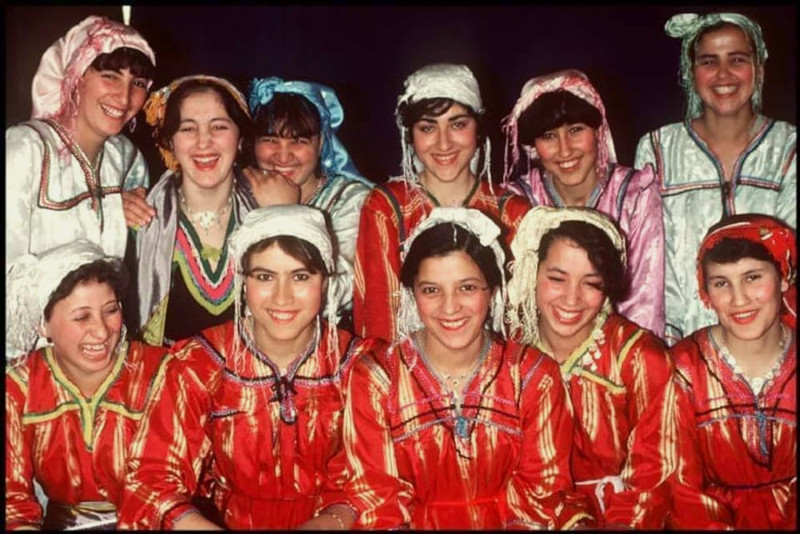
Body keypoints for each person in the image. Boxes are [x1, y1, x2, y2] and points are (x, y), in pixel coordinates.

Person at [118, 205, 384, 530]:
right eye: (264, 276)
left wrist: (332, 521)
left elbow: (379, 481)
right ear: (243, 280)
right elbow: (152, 476)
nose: (282, 297)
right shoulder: (198, 364)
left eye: (300, 276)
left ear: (326, 281)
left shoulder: (360, 365)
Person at [343, 207, 590, 529]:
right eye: (431, 290)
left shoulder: (531, 375)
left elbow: (540, 494)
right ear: (412, 293)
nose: (450, 307)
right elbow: (377, 497)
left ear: (493, 290)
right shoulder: (377, 377)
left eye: (467, 288)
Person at [505, 206, 674, 528]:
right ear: (532, 272)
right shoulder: (509, 355)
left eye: (591, 283)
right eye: (557, 279)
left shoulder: (639, 357)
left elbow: (656, 471)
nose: (572, 299)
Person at [635, 12, 796, 345]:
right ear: (690, 74)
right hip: (679, 347)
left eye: (737, 59)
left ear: (759, 69)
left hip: (770, 343)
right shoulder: (658, 149)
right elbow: (648, 264)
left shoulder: (789, 147)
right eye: (709, 61)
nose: (724, 74)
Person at [353, 63, 530, 342]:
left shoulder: (513, 212)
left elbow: (522, 319)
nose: (444, 143)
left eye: (458, 124)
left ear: (479, 130)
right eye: (428, 127)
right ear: (409, 136)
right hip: (408, 373)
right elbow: (378, 316)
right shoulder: (387, 207)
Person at [5, 240, 169, 530]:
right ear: (43, 325)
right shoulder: (20, 386)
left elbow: (168, 489)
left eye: (111, 310)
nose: (102, 331)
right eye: (82, 316)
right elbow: (11, 502)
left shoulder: (158, 373)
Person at [503, 69, 665, 338]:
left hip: (618, 355)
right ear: (533, 145)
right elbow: (516, 302)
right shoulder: (518, 200)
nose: (565, 150)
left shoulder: (635, 194)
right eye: (548, 136)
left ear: (598, 131)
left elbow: (644, 302)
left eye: (576, 130)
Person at [668, 214, 796, 529]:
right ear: (706, 292)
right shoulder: (684, 368)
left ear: (783, 277)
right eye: (721, 283)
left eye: (753, 277)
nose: (738, 300)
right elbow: (679, 486)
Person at [6, 15, 157, 265]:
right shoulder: (25, 149)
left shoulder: (127, 159)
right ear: (76, 76)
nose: (124, 97)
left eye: (138, 83)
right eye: (110, 76)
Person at [126, 75, 259, 347]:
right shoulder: (138, 223)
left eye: (219, 126)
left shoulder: (267, 216)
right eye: (188, 129)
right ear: (169, 141)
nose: (203, 142)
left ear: (241, 138)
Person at [245, 77, 373, 318]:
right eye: (270, 140)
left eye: (299, 141)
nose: (283, 156)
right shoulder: (239, 191)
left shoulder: (352, 200)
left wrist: (282, 213)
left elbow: (341, 293)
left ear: (321, 143)